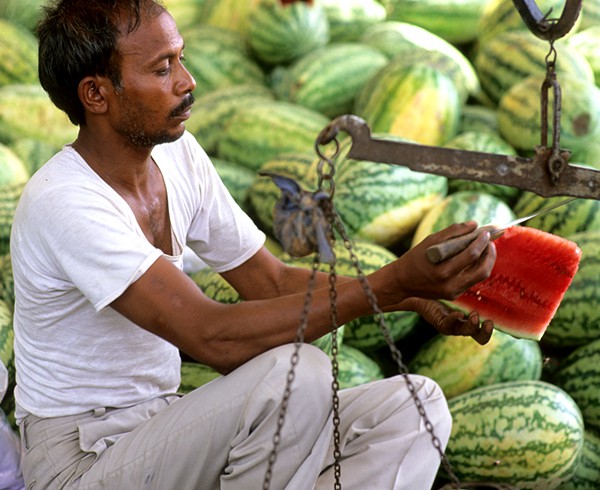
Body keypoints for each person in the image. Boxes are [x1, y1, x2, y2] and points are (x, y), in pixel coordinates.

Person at [10, 1, 497, 489]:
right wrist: (390, 281)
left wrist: (409, 296)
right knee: (297, 375)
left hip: (163, 428)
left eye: (181, 58)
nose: (187, 80)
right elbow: (210, 337)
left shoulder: (178, 156)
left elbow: (270, 280)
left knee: (414, 408)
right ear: (96, 94)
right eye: (163, 68)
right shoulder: (65, 201)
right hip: (82, 459)